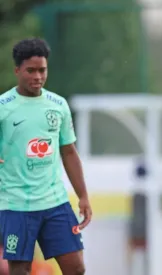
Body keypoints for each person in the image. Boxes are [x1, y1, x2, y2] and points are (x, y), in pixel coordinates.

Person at [0, 38, 92, 275]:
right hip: (15, 204)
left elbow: (69, 151)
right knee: (20, 271)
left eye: (42, 70)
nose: (38, 76)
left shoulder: (58, 105)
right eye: (31, 71)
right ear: (17, 70)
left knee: (76, 268)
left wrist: (83, 195)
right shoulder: (3, 106)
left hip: (55, 203)